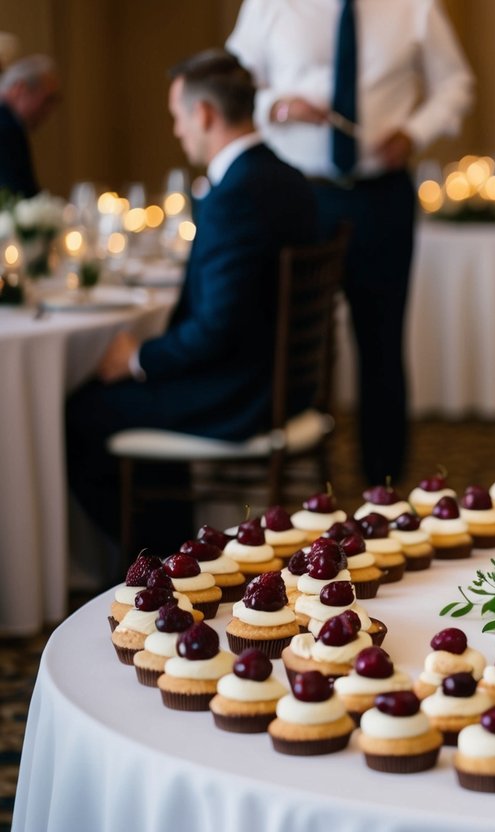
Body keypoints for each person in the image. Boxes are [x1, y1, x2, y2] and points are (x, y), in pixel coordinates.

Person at [65, 50, 319, 570]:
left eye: (178, 116)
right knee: (131, 395)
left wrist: (137, 358)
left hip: (242, 394)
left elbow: (216, 329)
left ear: (203, 114)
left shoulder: (236, 194)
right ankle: (172, 547)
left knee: (81, 412)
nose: (177, 130)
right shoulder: (291, 178)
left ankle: (158, 565)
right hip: (285, 383)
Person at [227, 0, 474, 486]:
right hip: (295, 193)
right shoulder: (269, 5)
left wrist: (414, 131)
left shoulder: (414, 6)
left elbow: (456, 83)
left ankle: (382, 489)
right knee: (282, 339)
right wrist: (277, 105)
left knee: (381, 343)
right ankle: (282, 485)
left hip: (380, 196)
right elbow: (228, 86)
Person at [0, 55, 59, 198]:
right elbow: (17, 195)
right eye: (47, 99)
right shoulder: (6, 127)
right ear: (19, 88)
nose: (48, 110)